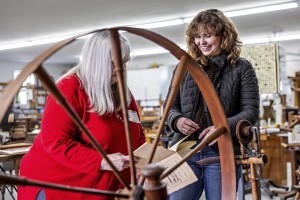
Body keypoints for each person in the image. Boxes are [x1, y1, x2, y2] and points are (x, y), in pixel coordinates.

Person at [18, 30, 146, 200]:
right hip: (61, 184)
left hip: (105, 185)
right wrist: (103, 161)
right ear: (97, 62)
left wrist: (143, 162)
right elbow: (56, 143)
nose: (121, 70)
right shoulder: (69, 89)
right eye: (114, 64)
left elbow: (137, 133)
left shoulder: (122, 92)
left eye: (124, 63)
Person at [166, 9, 259, 200]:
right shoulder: (184, 66)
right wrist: (177, 120)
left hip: (221, 153)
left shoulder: (241, 68)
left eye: (208, 35)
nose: (202, 42)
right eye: (197, 37)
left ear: (223, 36)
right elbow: (169, 108)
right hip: (185, 152)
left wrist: (222, 127)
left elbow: (250, 112)